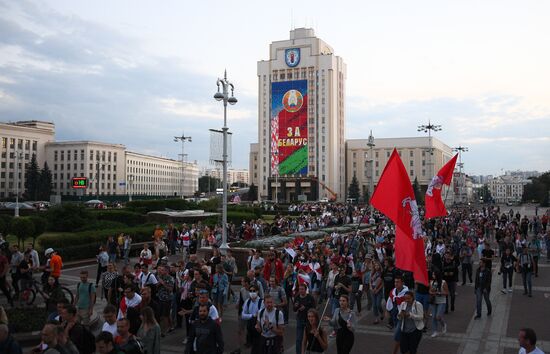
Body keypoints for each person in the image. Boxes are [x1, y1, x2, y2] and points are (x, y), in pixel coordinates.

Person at [294, 282, 316, 354]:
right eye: (299, 289)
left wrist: (305, 308)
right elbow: (294, 309)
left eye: (302, 289)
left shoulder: (310, 298)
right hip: (300, 320)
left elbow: (314, 309)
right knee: (298, 339)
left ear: (305, 290)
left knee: (309, 338)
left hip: (308, 321)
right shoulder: (297, 297)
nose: (301, 291)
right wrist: (296, 307)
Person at [241, 285, 263, 353]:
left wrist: (255, 316)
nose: (252, 292)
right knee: (253, 344)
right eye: (250, 291)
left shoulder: (261, 302)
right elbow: (243, 315)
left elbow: (262, 314)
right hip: (250, 327)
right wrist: (252, 315)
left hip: (259, 326)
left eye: (254, 291)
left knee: (257, 345)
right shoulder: (248, 301)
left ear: (257, 291)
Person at [429, 270, 448, 337]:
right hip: (434, 301)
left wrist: (440, 293)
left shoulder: (443, 282)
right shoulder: (431, 282)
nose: (432, 276)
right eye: (432, 274)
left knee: (438, 316)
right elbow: (430, 291)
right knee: (433, 317)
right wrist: (432, 292)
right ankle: (435, 331)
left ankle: (443, 325)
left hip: (441, 301)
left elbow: (446, 293)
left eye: (434, 274)